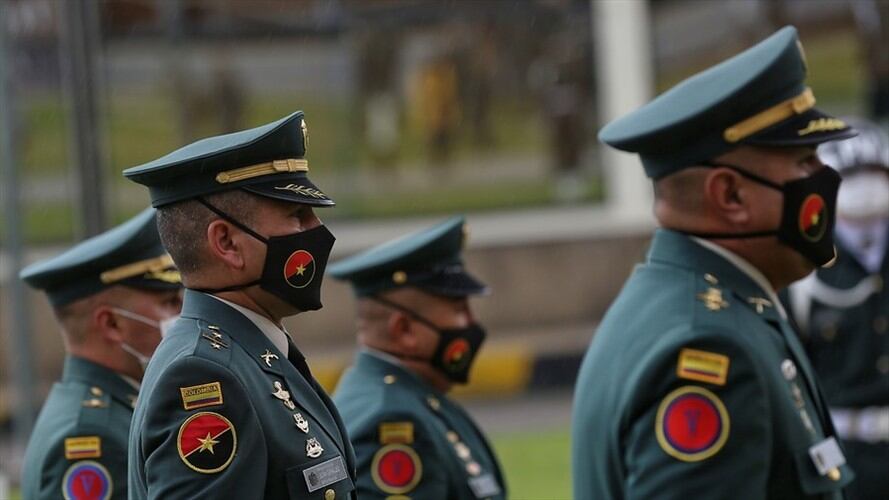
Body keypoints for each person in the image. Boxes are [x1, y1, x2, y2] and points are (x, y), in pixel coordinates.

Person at [572, 26, 859, 499]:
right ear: (729, 195)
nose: (823, 179)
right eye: (805, 161)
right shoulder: (712, 348)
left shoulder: (711, 306)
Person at [123, 112, 357, 499]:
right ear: (227, 243)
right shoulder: (204, 377)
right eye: (296, 215)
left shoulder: (255, 356)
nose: (316, 230)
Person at [329, 216, 506, 499]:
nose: (471, 322)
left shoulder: (412, 397)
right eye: (459, 309)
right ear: (405, 330)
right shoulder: (392, 422)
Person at [19, 207, 183, 500]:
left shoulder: (109, 409)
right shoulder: (91, 437)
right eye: (170, 302)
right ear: (111, 324)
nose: (181, 314)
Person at [784, 117, 889, 500]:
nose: (865, 187)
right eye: (851, 175)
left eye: (873, 172)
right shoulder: (802, 271)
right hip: (842, 457)